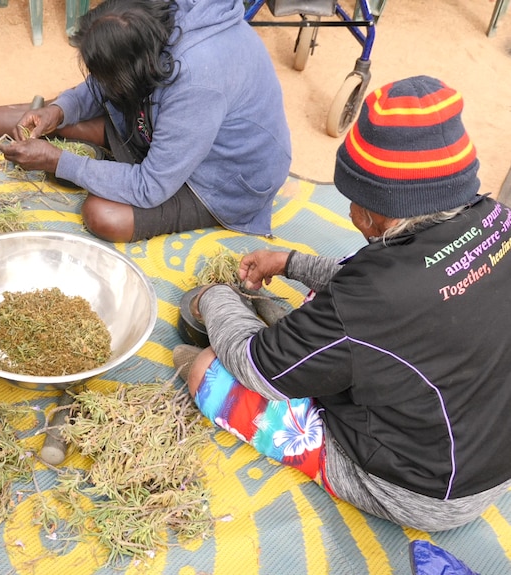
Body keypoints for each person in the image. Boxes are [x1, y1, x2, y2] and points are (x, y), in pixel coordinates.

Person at [173, 75, 511, 532]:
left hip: (423, 489)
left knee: (210, 370)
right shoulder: (496, 219)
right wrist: (290, 262)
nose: (350, 211)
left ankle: (287, 349)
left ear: (380, 211)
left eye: (352, 199)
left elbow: (256, 366)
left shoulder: (372, 296)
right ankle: (309, 341)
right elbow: (405, 292)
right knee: (346, 298)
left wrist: (212, 299)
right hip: (490, 448)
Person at [0, 0, 291, 243]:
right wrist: (57, 111)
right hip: (171, 133)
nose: (100, 84)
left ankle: (81, 151)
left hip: (219, 181)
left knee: (103, 215)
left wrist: (57, 162)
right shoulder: (153, 19)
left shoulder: (199, 80)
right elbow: (101, 87)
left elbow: (151, 186)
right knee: (50, 117)